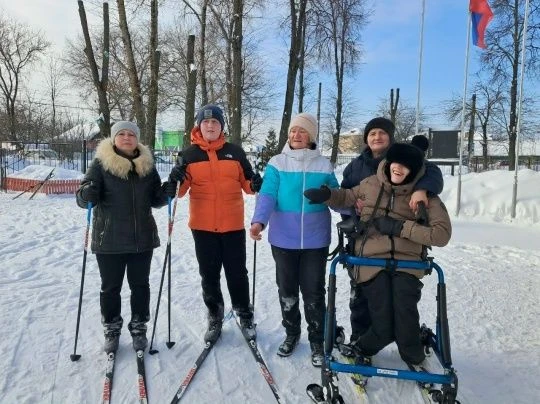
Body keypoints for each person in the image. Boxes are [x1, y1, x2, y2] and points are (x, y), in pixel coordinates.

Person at [304, 142, 452, 366]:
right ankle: (362, 348)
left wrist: (400, 227)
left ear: (413, 170)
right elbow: (345, 196)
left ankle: (413, 352)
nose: (398, 168)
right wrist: (326, 195)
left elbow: (441, 235)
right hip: (370, 261)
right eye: (396, 163)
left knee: (406, 325)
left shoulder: (424, 196)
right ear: (389, 162)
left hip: (408, 263)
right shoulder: (371, 183)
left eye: (405, 166)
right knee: (383, 323)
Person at [340, 118, 444, 346]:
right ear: (366, 138)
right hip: (365, 239)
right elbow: (344, 195)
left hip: (401, 241)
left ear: (390, 137)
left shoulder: (403, 157)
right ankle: (360, 339)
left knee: (399, 299)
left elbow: (431, 172)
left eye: (382, 133)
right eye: (372, 133)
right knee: (361, 296)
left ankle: (403, 339)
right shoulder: (355, 166)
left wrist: (422, 189)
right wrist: (351, 209)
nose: (377, 137)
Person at [249, 112, 339, 367]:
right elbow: (267, 194)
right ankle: (292, 333)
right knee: (287, 289)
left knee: (314, 292)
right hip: (283, 239)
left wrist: (338, 203)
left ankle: (317, 340)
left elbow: (338, 197)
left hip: (315, 240)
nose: (296, 135)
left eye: (302, 131)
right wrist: (259, 221)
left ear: (311, 136)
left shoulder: (323, 165)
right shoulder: (277, 163)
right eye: (293, 130)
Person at [167, 104, 262, 343]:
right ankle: (215, 315)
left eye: (215, 122)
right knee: (209, 274)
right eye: (206, 122)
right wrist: (174, 178)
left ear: (221, 126)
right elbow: (179, 192)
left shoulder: (235, 152)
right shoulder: (188, 155)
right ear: (199, 126)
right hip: (203, 227)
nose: (210, 126)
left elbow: (248, 185)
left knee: (237, 273)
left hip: (232, 225)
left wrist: (254, 182)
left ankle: (244, 313)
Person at [76, 121, 171, 353]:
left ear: (137, 139)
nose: (127, 138)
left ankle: (139, 327)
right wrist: (86, 194)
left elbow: (155, 199)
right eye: (122, 134)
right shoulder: (101, 163)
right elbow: (82, 197)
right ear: (114, 138)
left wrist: (167, 191)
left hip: (142, 239)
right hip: (109, 239)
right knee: (110, 288)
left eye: (131, 134)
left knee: (140, 286)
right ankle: (111, 329)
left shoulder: (146, 165)